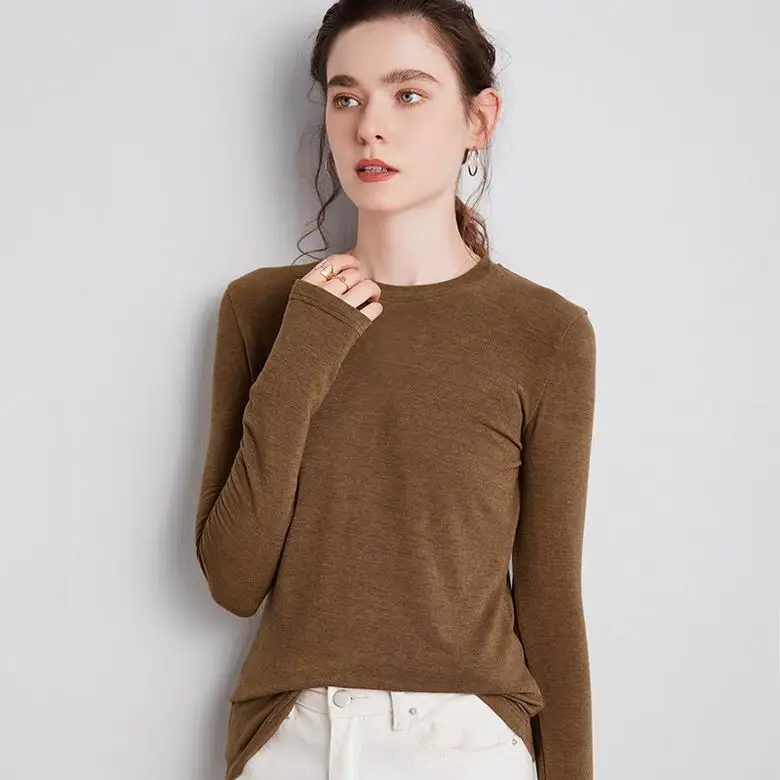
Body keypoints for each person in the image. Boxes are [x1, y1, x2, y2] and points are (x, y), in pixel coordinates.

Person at [195, 2, 597, 779]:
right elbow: (233, 580)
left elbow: (550, 599)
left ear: (479, 118)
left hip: (467, 743)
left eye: (407, 94)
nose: (369, 127)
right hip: (293, 738)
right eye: (346, 97)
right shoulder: (261, 308)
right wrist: (307, 348)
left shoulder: (545, 333)